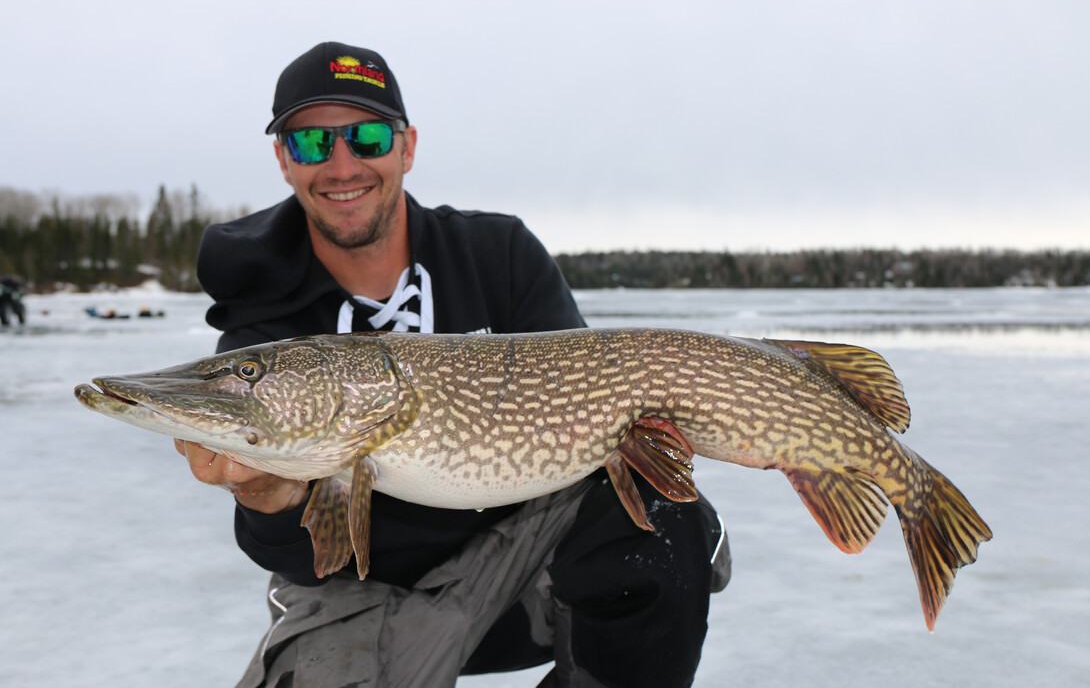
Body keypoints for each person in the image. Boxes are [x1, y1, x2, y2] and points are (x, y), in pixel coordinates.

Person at [177, 41, 729, 688]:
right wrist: (265, 495)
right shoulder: (262, 315)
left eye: (369, 136)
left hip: (527, 563)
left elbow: (591, 432)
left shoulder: (499, 253)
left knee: (658, 519)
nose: (343, 164)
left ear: (406, 147)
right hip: (363, 591)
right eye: (312, 143)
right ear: (283, 160)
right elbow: (302, 553)